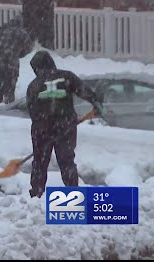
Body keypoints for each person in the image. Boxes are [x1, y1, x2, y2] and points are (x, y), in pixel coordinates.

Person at [25, 50, 104, 198]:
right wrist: (95, 101)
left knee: (40, 162)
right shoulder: (67, 76)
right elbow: (83, 90)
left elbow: (31, 110)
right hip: (65, 126)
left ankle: (36, 194)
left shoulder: (34, 85)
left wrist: (43, 125)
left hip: (42, 128)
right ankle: (73, 193)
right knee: (66, 161)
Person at [0, 16, 33, 106]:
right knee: (9, 88)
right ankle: (9, 108)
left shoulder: (1, 30)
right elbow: (28, 49)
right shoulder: (21, 32)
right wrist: (18, 53)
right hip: (9, 62)